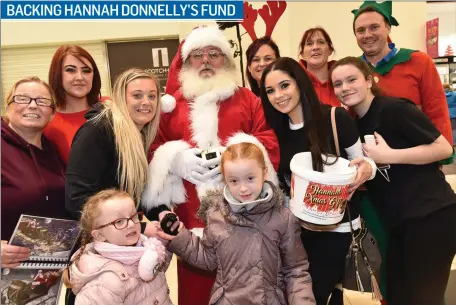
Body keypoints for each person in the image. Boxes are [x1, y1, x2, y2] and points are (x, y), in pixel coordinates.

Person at [142, 25, 280, 305]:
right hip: (190, 218)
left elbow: (268, 141)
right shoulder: (169, 105)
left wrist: (235, 155)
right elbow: (151, 148)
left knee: (247, 287)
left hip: (245, 215)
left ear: (226, 60)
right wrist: (173, 158)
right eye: (197, 54)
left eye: (214, 53)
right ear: (185, 61)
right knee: (196, 290)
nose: (205, 61)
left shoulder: (247, 99)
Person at [330, 56, 456, 305]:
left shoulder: (394, 109)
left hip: (432, 216)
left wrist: (390, 156)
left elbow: (443, 149)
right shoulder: (354, 123)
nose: (345, 88)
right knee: (399, 295)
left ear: (369, 80)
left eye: (351, 79)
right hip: (400, 226)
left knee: (425, 298)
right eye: (338, 84)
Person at [260, 57, 375, 305]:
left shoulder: (335, 118)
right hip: (297, 234)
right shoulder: (274, 131)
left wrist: (367, 169)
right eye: (270, 90)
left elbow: (364, 163)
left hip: (338, 231)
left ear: (299, 83)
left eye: (284, 85)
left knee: (316, 296)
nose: (278, 95)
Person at [159, 142, 316, 305]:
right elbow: (208, 259)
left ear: (264, 173)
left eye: (250, 178)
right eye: (234, 181)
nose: (243, 188)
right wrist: (180, 237)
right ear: (225, 179)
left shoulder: (283, 218)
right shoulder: (216, 215)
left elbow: (296, 271)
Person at [65, 68, 166, 220]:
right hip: (100, 237)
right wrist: (138, 226)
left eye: (152, 96)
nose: (146, 102)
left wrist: (162, 213)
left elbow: (137, 195)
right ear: (121, 98)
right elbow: (77, 200)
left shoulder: (141, 135)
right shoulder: (97, 130)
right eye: (137, 95)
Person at [352, 1, 452, 148]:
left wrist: (442, 155)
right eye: (360, 30)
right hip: (372, 162)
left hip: (417, 157)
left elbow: (437, 111)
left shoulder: (419, 61)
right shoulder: (353, 69)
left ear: (388, 27)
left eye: (374, 27)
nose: (367, 35)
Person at [1, 76, 70, 268]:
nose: (32, 106)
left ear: (52, 113)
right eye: (22, 98)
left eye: (42, 101)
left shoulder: (53, 151)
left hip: (48, 270)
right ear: (8, 106)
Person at [65, 189, 173, 305]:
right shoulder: (104, 284)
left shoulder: (145, 247)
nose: (131, 224)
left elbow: (155, 280)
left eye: (133, 216)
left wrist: (162, 243)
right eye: (119, 222)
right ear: (99, 235)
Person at [43, 45, 103, 164]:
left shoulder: (111, 107)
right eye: (70, 70)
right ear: (57, 74)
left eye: (86, 71)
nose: (80, 77)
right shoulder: (48, 125)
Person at [298, 27, 341, 107]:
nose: (315, 47)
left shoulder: (342, 81)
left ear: (330, 50)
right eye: (309, 43)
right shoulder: (294, 83)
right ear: (302, 54)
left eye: (321, 42)